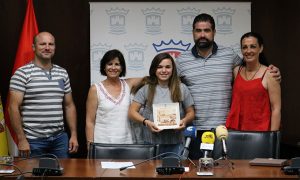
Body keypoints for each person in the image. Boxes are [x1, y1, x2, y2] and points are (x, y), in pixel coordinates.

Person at [175, 13, 281, 159]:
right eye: (198, 31)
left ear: (214, 32)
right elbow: (167, 83)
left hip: (224, 130)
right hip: (194, 130)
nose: (202, 35)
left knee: (224, 172)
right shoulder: (181, 61)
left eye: (207, 30)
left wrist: (273, 71)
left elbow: (251, 68)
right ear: (193, 32)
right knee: (195, 172)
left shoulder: (229, 55)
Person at [8, 32, 78, 158]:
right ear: (34, 47)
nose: (47, 47)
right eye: (42, 44)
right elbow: (13, 108)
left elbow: (69, 105)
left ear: (55, 48)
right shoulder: (22, 73)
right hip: (33, 141)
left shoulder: (62, 73)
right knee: (33, 176)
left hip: (60, 140)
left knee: (64, 175)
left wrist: (73, 134)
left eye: (51, 44)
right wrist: (22, 139)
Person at [128, 52, 195, 156]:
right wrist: (146, 122)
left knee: (174, 172)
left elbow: (191, 113)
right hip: (151, 144)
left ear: (173, 70)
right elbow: (131, 112)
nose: (164, 70)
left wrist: (184, 121)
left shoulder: (181, 88)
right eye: (159, 67)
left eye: (168, 67)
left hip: (175, 144)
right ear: (154, 69)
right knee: (150, 172)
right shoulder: (146, 89)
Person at [85, 49, 141, 149]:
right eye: (110, 64)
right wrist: (90, 146)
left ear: (122, 67)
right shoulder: (95, 89)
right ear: (104, 67)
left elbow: (151, 79)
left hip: (126, 143)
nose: (113, 67)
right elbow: (90, 121)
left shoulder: (129, 84)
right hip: (102, 144)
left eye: (117, 64)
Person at [226, 32, 281, 131]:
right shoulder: (236, 71)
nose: (248, 50)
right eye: (245, 47)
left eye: (253, 46)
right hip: (236, 132)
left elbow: (276, 109)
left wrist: (272, 138)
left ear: (261, 48)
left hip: (261, 134)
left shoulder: (270, 74)